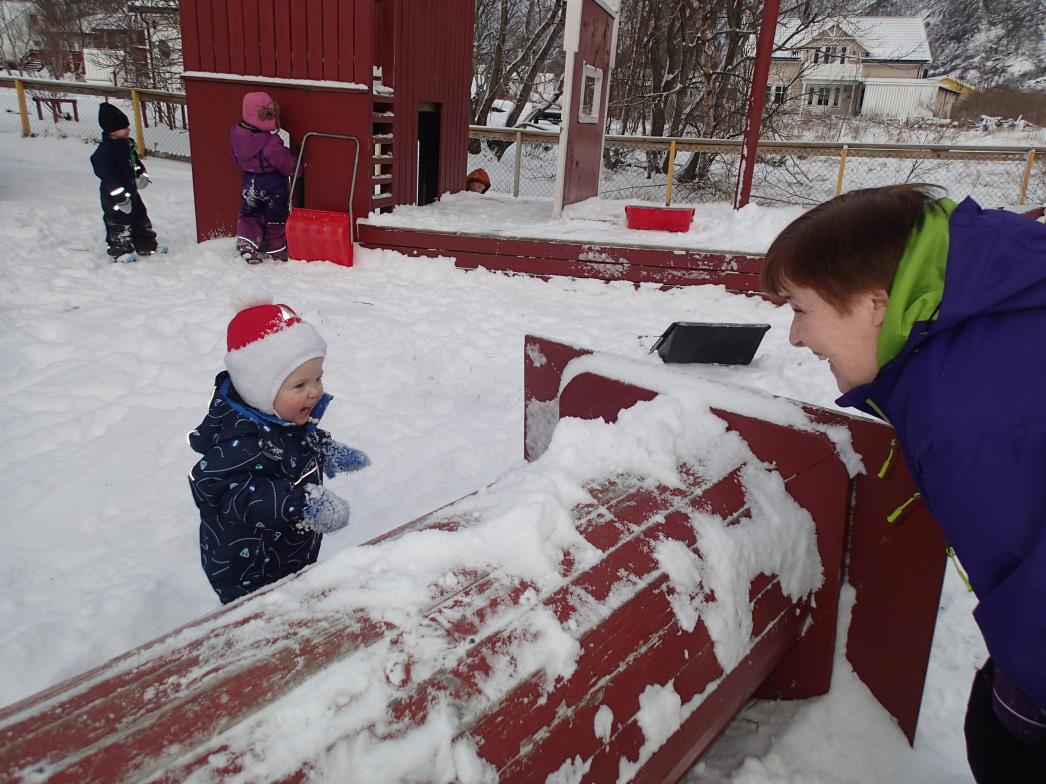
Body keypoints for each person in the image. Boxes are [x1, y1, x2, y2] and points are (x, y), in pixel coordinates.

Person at [761, 184, 1046, 783]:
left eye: (798, 308)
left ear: (876, 303)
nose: (794, 338)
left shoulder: (965, 419)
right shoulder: (998, 302)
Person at [188, 292, 370, 604]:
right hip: (249, 569)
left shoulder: (281, 417)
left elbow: (294, 443)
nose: (314, 392)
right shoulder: (240, 442)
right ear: (259, 391)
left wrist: (325, 448)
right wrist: (302, 505)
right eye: (300, 385)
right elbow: (234, 493)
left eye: (318, 378)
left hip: (285, 551)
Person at [229, 92, 297, 264]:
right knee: (276, 216)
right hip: (273, 186)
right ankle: (277, 250)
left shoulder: (237, 135)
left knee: (250, 213)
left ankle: (247, 244)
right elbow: (286, 163)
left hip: (249, 181)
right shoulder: (269, 143)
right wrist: (298, 167)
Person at [90, 102, 160, 263]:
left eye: (128, 126)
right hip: (114, 197)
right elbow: (109, 178)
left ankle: (146, 245)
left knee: (140, 217)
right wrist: (120, 198)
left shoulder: (126, 146)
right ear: (112, 130)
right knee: (118, 222)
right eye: (124, 127)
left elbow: (135, 163)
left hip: (132, 192)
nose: (128, 129)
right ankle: (120, 250)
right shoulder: (104, 154)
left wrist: (141, 175)